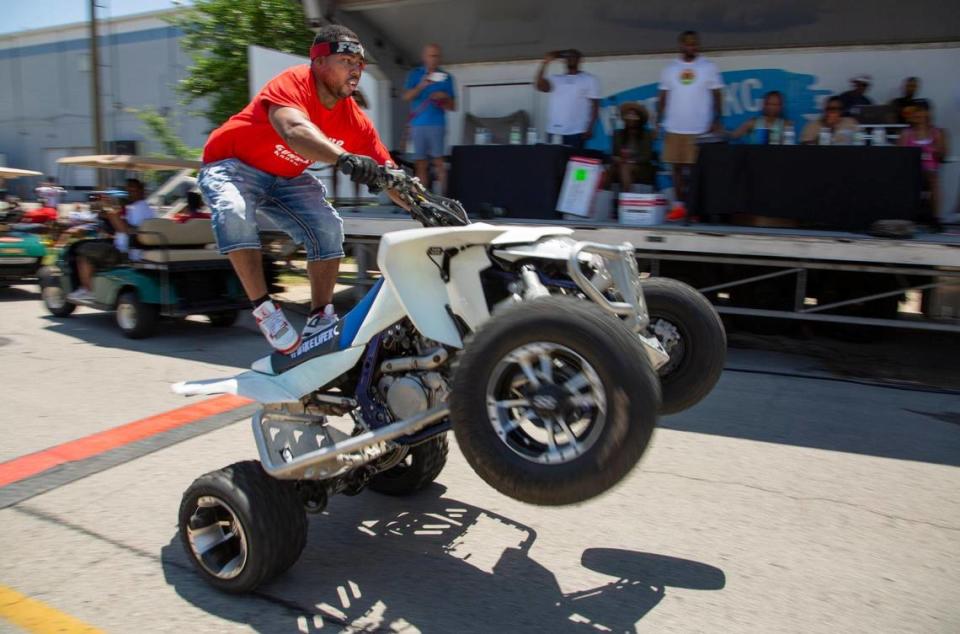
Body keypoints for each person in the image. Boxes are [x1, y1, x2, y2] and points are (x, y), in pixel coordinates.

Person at [198, 25, 398, 355]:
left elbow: (389, 174)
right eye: (347, 60)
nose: (356, 70)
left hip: (285, 176)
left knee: (328, 227)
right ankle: (264, 308)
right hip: (233, 164)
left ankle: (320, 316)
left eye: (360, 64)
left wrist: (424, 203)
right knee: (233, 211)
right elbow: (293, 130)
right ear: (318, 62)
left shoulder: (355, 121)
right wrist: (344, 158)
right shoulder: (294, 82)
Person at [656, 30, 724, 212]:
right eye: (687, 44)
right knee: (676, 168)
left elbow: (717, 94)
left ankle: (693, 207)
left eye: (694, 43)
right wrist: (657, 121)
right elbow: (663, 96)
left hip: (699, 128)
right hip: (674, 127)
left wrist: (717, 119)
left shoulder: (709, 67)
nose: (691, 47)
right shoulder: (669, 69)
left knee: (694, 170)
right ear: (681, 45)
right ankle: (679, 207)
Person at [68, 178, 155, 302]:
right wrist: (108, 215)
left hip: (125, 252)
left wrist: (112, 214)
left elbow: (125, 229)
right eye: (128, 190)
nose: (130, 193)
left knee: (83, 251)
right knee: (96, 247)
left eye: (133, 190)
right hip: (131, 248)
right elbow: (124, 226)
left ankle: (87, 290)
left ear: (142, 191)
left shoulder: (138, 208)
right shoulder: (144, 207)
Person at [402, 44, 456, 194]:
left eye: (437, 56)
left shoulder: (446, 77)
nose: (434, 59)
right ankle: (423, 200)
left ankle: (443, 199)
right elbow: (406, 97)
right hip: (418, 125)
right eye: (431, 55)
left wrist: (444, 97)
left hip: (437, 124)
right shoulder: (415, 74)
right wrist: (421, 86)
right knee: (420, 164)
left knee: (439, 163)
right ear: (424, 57)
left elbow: (453, 106)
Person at [536, 48, 600, 149]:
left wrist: (590, 128)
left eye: (574, 56)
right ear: (564, 61)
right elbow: (539, 86)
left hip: (577, 131)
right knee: (552, 162)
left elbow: (595, 106)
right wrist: (545, 62)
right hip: (554, 130)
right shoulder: (556, 78)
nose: (571, 59)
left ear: (580, 60)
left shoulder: (589, 79)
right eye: (568, 57)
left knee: (574, 162)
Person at [898, 100, 948, 222]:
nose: (916, 115)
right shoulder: (906, 133)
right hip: (910, 170)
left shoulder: (936, 132)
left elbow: (943, 155)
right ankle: (907, 216)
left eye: (919, 111)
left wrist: (936, 151)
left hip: (930, 170)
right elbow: (899, 155)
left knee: (932, 177)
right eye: (914, 112)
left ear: (927, 113)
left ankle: (935, 218)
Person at [609, 102, 655, 190]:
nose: (631, 118)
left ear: (640, 119)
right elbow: (614, 154)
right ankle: (605, 200)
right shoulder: (617, 134)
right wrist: (616, 158)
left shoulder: (646, 135)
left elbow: (647, 157)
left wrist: (630, 161)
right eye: (629, 115)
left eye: (634, 116)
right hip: (621, 164)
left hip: (641, 167)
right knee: (609, 171)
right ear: (625, 118)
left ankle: (627, 200)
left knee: (625, 168)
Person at [728, 91, 794, 144]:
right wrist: (722, 132)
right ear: (764, 105)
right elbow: (733, 136)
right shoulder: (752, 123)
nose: (771, 107)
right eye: (769, 104)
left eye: (775, 105)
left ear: (781, 106)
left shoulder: (786, 125)